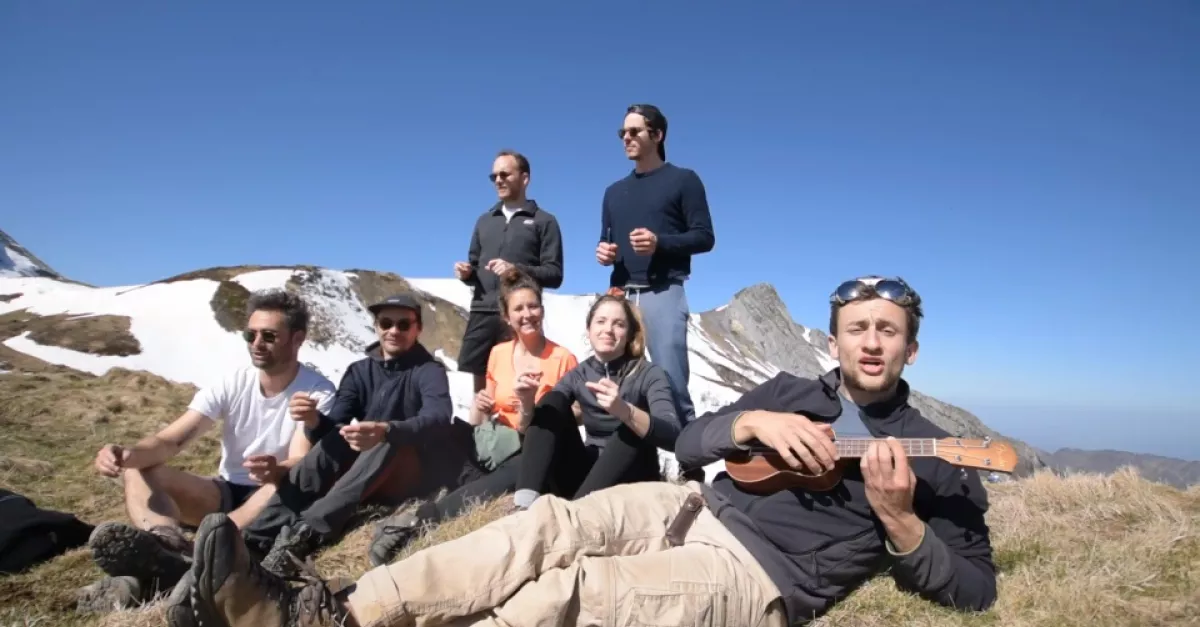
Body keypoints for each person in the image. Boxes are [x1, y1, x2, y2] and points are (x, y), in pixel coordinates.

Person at [177, 275, 998, 627]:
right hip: (692, 502)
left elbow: (975, 586)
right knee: (542, 529)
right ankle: (335, 613)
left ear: (911, 348)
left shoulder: (938, 456)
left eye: (888, 331)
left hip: (758, 573)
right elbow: (695, 441)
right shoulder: (791, 388)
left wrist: (902, 523)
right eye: (857, 328)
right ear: (837, 337)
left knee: (578, 591)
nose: (871, 342)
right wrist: (748, 425)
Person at [80, 289, 336, 608]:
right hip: (225, 491)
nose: (256, 343)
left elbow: (300, 459)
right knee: (138, 470)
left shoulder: (317, 391)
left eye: (269, 336)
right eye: (250, 334)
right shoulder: (232, 382)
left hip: (278, 496)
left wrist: (275, 469)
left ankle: (186, 560)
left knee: (280, 482)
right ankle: (168, 545)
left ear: (297, 339)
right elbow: (172, 440)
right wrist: (126, 454)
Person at [365, 268, 577, 566]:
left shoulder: (562, 358)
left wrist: (535, 406)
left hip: (529, 445)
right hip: (494, 438)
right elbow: (483, 413)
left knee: (516, 468)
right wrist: (480, 404)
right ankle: (382, 498)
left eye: (533, 306)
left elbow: (576, 415)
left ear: (542, 309)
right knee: (440, 434)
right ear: (507, 317)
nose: (527, 314)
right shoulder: (499, 353)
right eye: (519, 308)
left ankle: (420, 520)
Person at [239, 293, 459, 577]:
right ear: (376, 326)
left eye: (403, 324)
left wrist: (387, 430)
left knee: (387, 438)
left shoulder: (429, 371)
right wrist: (314, 420)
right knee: (336, 439)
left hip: (411, 475)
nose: (394, 330)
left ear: (418, 329)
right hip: (366, 472)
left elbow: (439, 418)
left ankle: (304, 535)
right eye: (386, 323)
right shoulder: (359, 371)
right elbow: (334, 427)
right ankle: (255, 537)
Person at [596, 103, 715, 425]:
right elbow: (607, 241)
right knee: (618, 387)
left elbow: (704, 237)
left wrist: (659, 242)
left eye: (634, 131)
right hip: (621, 296)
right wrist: (604, 253)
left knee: (671, 386)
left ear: (657, 135)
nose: (626, 138)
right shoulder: (613, 192)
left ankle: (688, 452)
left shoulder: (684, 180)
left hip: (663, 292)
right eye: (623, 132)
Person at [510, 290, 684, 508]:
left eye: (618, 324)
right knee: (552, 402)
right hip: (589, 477)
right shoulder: (579, 375)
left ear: (629, 334)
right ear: (589, 330)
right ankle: (525, 506)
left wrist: (625, 411)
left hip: (634, 479)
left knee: (630, 430)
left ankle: (577, 512)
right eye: (601, 321)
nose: (608, 329)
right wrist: (527, 402)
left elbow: (674, 436)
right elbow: (537, 429)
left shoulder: (649, 374)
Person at [455, 150, 565, 393]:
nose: (498, 180)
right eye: (493, 176)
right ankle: (482, 419)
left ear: (525, 178)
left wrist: (517, 270)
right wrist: (467, 274)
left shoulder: (544, 221)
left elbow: (555, 274)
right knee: (481, 387)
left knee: (516, 383)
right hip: (482, 311)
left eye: (505, 174)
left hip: (520, 315)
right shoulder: (484, 221)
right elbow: (475, 266)